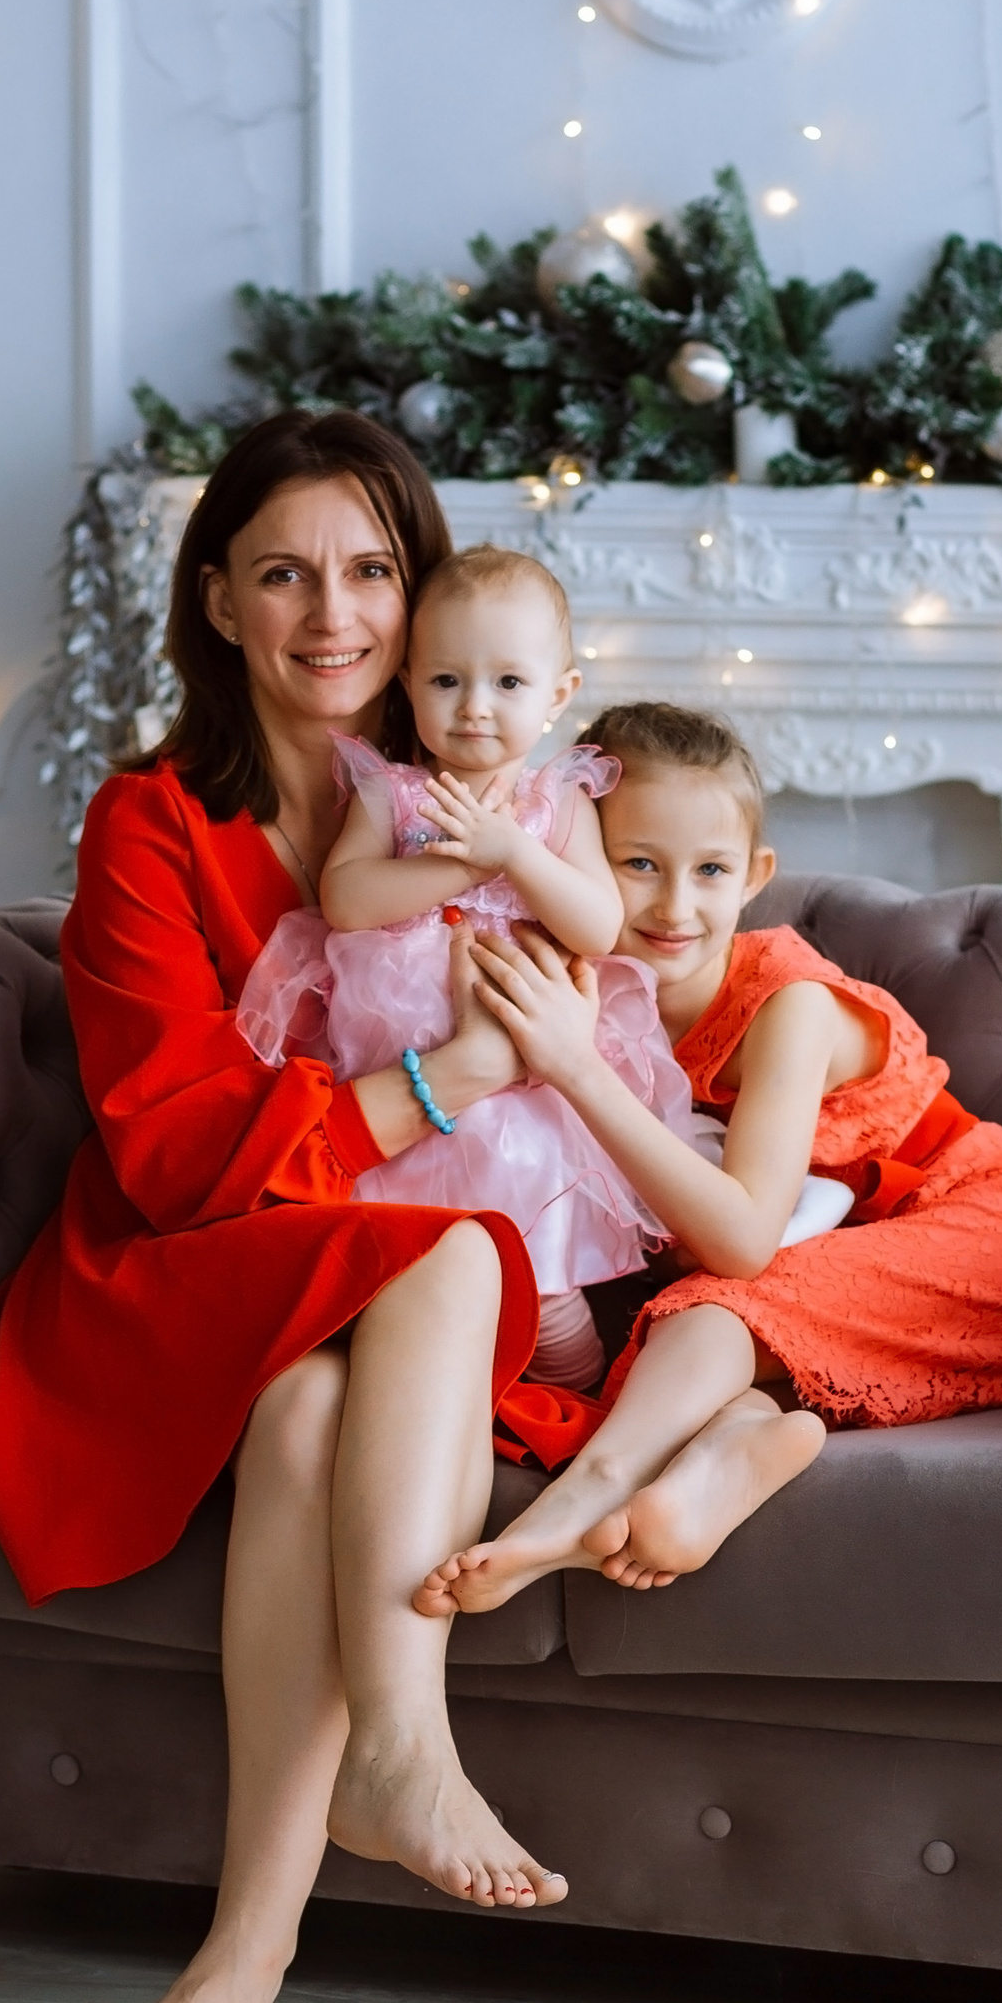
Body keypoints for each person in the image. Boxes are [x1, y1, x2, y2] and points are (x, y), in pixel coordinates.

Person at [0, 410, 568, 2003]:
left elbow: (648, 951)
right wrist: (446, 1080)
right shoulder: (149, 823)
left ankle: (246, 1953)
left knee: (312, 1415)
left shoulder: (483, 797)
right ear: (218, 600)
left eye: (372, 570)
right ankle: (405, 1745)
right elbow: (171, 1151)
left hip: (343, 1283)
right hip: (179, 1262)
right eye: (285, 574)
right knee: (447, 1261)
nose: (335, 615)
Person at [416, 701, 1002, 1617]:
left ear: (754, 877)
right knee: (697, 1322)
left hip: (995, 1237)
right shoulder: (576, 990)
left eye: (710, 870)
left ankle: (587, 1492)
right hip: (825, 1284)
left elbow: (740, 1241)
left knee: (719, 1299)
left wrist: (575, 1067)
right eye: (637, 865)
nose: (675, 906)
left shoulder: (787, 1003)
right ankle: (735, 1446)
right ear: (573, 857)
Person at [236, 544, 693, 1395]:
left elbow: (597, 925)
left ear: (559, 693)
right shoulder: (393, 793)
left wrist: (512, 851)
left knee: (543, 1288)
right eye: (447, 681)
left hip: (524, 1093)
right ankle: (446, 1408)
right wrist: (461, 868)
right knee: (414, 1267)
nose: (475, 707)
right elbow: (346, 898)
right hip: (406, 1079)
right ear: (408, 683)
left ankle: (570, 1413)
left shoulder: (558, 802)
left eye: (508, 683)